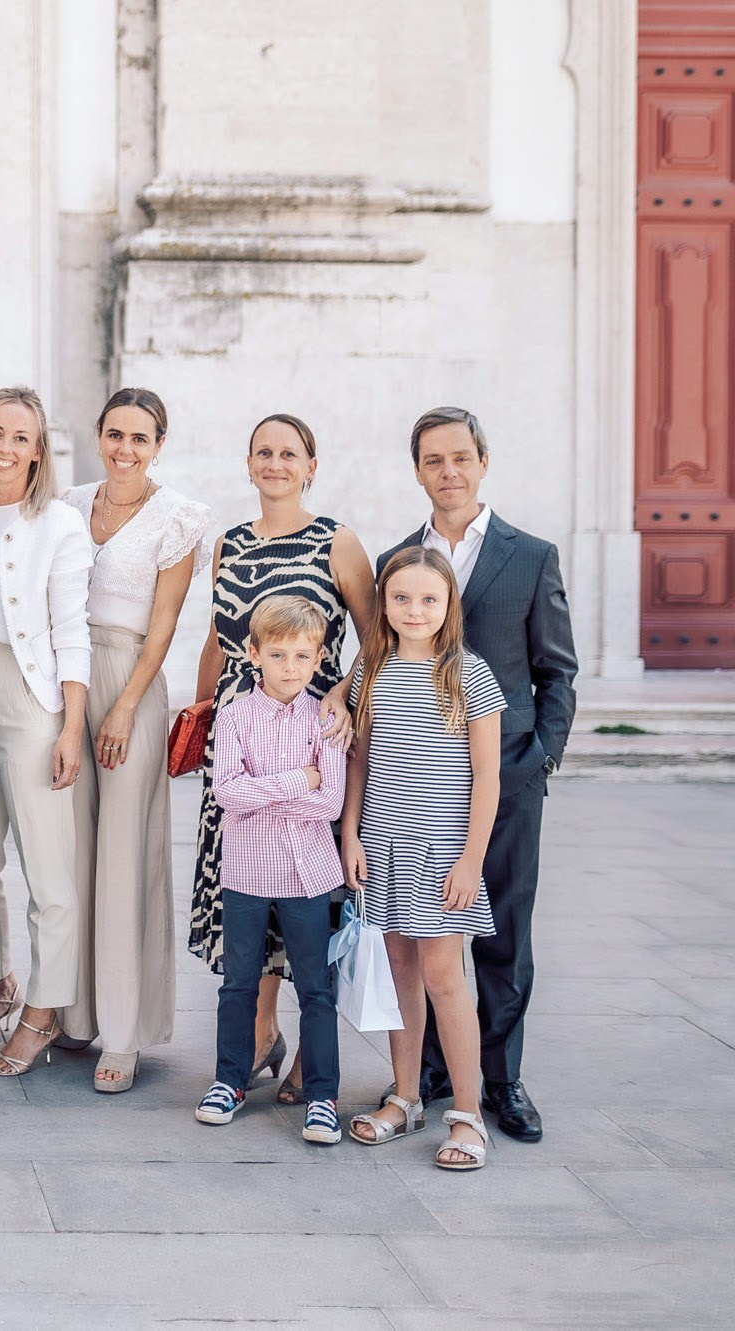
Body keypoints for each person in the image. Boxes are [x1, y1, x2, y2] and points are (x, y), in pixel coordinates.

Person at [375, 407, 576, 1143]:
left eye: (461, 456)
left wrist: (541, 757)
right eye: (434, 459)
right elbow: (377, 656)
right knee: (425, 933)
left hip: (506, 776)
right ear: (419, 468)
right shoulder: (397, 560)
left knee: (502, 935)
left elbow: (558, 671)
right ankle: (428, 1074)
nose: (449, 470)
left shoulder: (531, 554)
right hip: (418, 792)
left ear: (483, 461)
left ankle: (503, 1080)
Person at [188, 413, 375, 1103]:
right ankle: (261, 1033)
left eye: (288, 452)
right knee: (248, 884)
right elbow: (217, 637)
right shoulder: (229, 543)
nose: (274, 462)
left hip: (311, 728)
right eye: (263, 451)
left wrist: (348, 700)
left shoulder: (337, 540)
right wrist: (199, 714)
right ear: (249, 462)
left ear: (310, 465)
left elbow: (373, 631)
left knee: (303, 894)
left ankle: (309, 1058)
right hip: (240, 730)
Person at [63, 388, 212, 1093]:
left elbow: (165, 627)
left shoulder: (177, 517)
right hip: (67, 676)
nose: (125, 448)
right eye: (115, 433)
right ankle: (77, 1010)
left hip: (131, 680)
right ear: (99, 435)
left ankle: (123, 1033)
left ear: (159, 444)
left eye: (141, 438)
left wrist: (123, 707)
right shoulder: (67, 503)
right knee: (74, 850)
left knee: (124, 853)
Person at [342, 547, 504, 1171]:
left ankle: (467, 1114)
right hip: (380, 842)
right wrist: (351, 834)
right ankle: (405, 1097)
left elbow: (487, 778)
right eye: (401, 597)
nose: (414, 609)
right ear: (384, 602)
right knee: (399, 974)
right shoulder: (371, 669)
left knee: (444, 977)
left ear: (448, 605)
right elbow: (358, 758)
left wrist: (470, 861)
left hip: (439, 852)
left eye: (428, 599)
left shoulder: (467, 673)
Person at [0, 387, 92, 1078]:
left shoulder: (60, 525)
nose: (4, 446)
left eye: (19, 436)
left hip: (32, 701)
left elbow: (73, 631)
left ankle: (44, 1009)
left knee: (46, 867)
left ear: (38, 450)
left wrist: (71, 724)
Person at [192, 596, 346, 1145]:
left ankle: (322, 1095)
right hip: (247, 875)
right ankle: (229, 1080)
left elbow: (329, 804)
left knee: (316, 988)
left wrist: (280, 790)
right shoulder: (233, 717)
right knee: (238, 983)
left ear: (318, 658)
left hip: (309, 875)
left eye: (302, 657)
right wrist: (296, 780)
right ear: (254, 653)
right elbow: (230, 795)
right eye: (278, 654)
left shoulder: (326, 721)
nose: (289, 667)